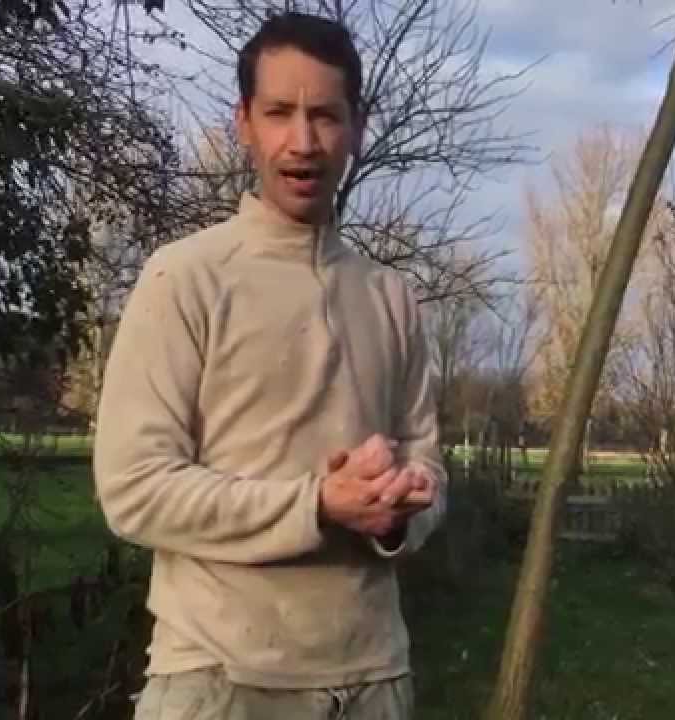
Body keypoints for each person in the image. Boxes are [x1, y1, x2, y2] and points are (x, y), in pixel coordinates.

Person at [92, 11, 446, 719]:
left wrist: (398, 513)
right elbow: (133, 489)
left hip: (375, 680)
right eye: (280, 113)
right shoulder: (184, 279)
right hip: (219, 681)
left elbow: (430, 473)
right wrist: (316, 504)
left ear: (356, 127)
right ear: (244, 123)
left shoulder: (391, 296)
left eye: (325, 115)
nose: (303, 141)